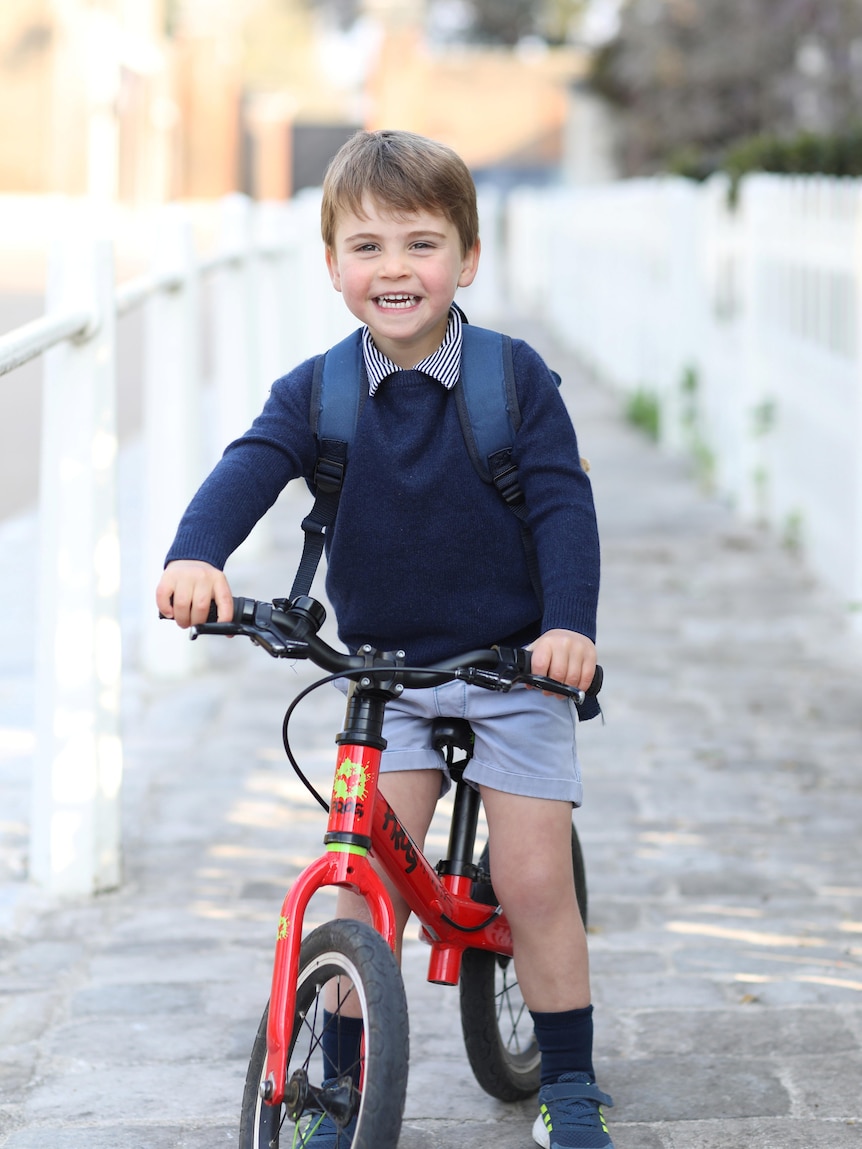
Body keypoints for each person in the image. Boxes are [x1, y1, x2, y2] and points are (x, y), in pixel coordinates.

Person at [156, 128, 613, 1149]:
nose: (394, 270)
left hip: (509, 669)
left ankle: (570, 1085)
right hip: (385, 680)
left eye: (420, 244)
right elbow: (249, 466)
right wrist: (198, 557)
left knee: (533, 883)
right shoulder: (317, 391)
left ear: (467, 258)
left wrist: (567, 629)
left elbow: (561, 509)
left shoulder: (511, 380)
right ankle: (336, 1090)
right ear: (331, 267)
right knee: (363, 887)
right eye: (366, 248)